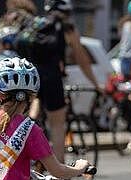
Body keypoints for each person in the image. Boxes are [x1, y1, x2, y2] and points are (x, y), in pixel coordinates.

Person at [30, 0, 104, 162]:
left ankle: (27, 132)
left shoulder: (37, 25)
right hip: (52, 78)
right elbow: (82, 59)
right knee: (57, 123)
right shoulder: (67, 28)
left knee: (33, 111)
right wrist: (96, 85)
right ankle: (59, 167)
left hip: (31, 76)